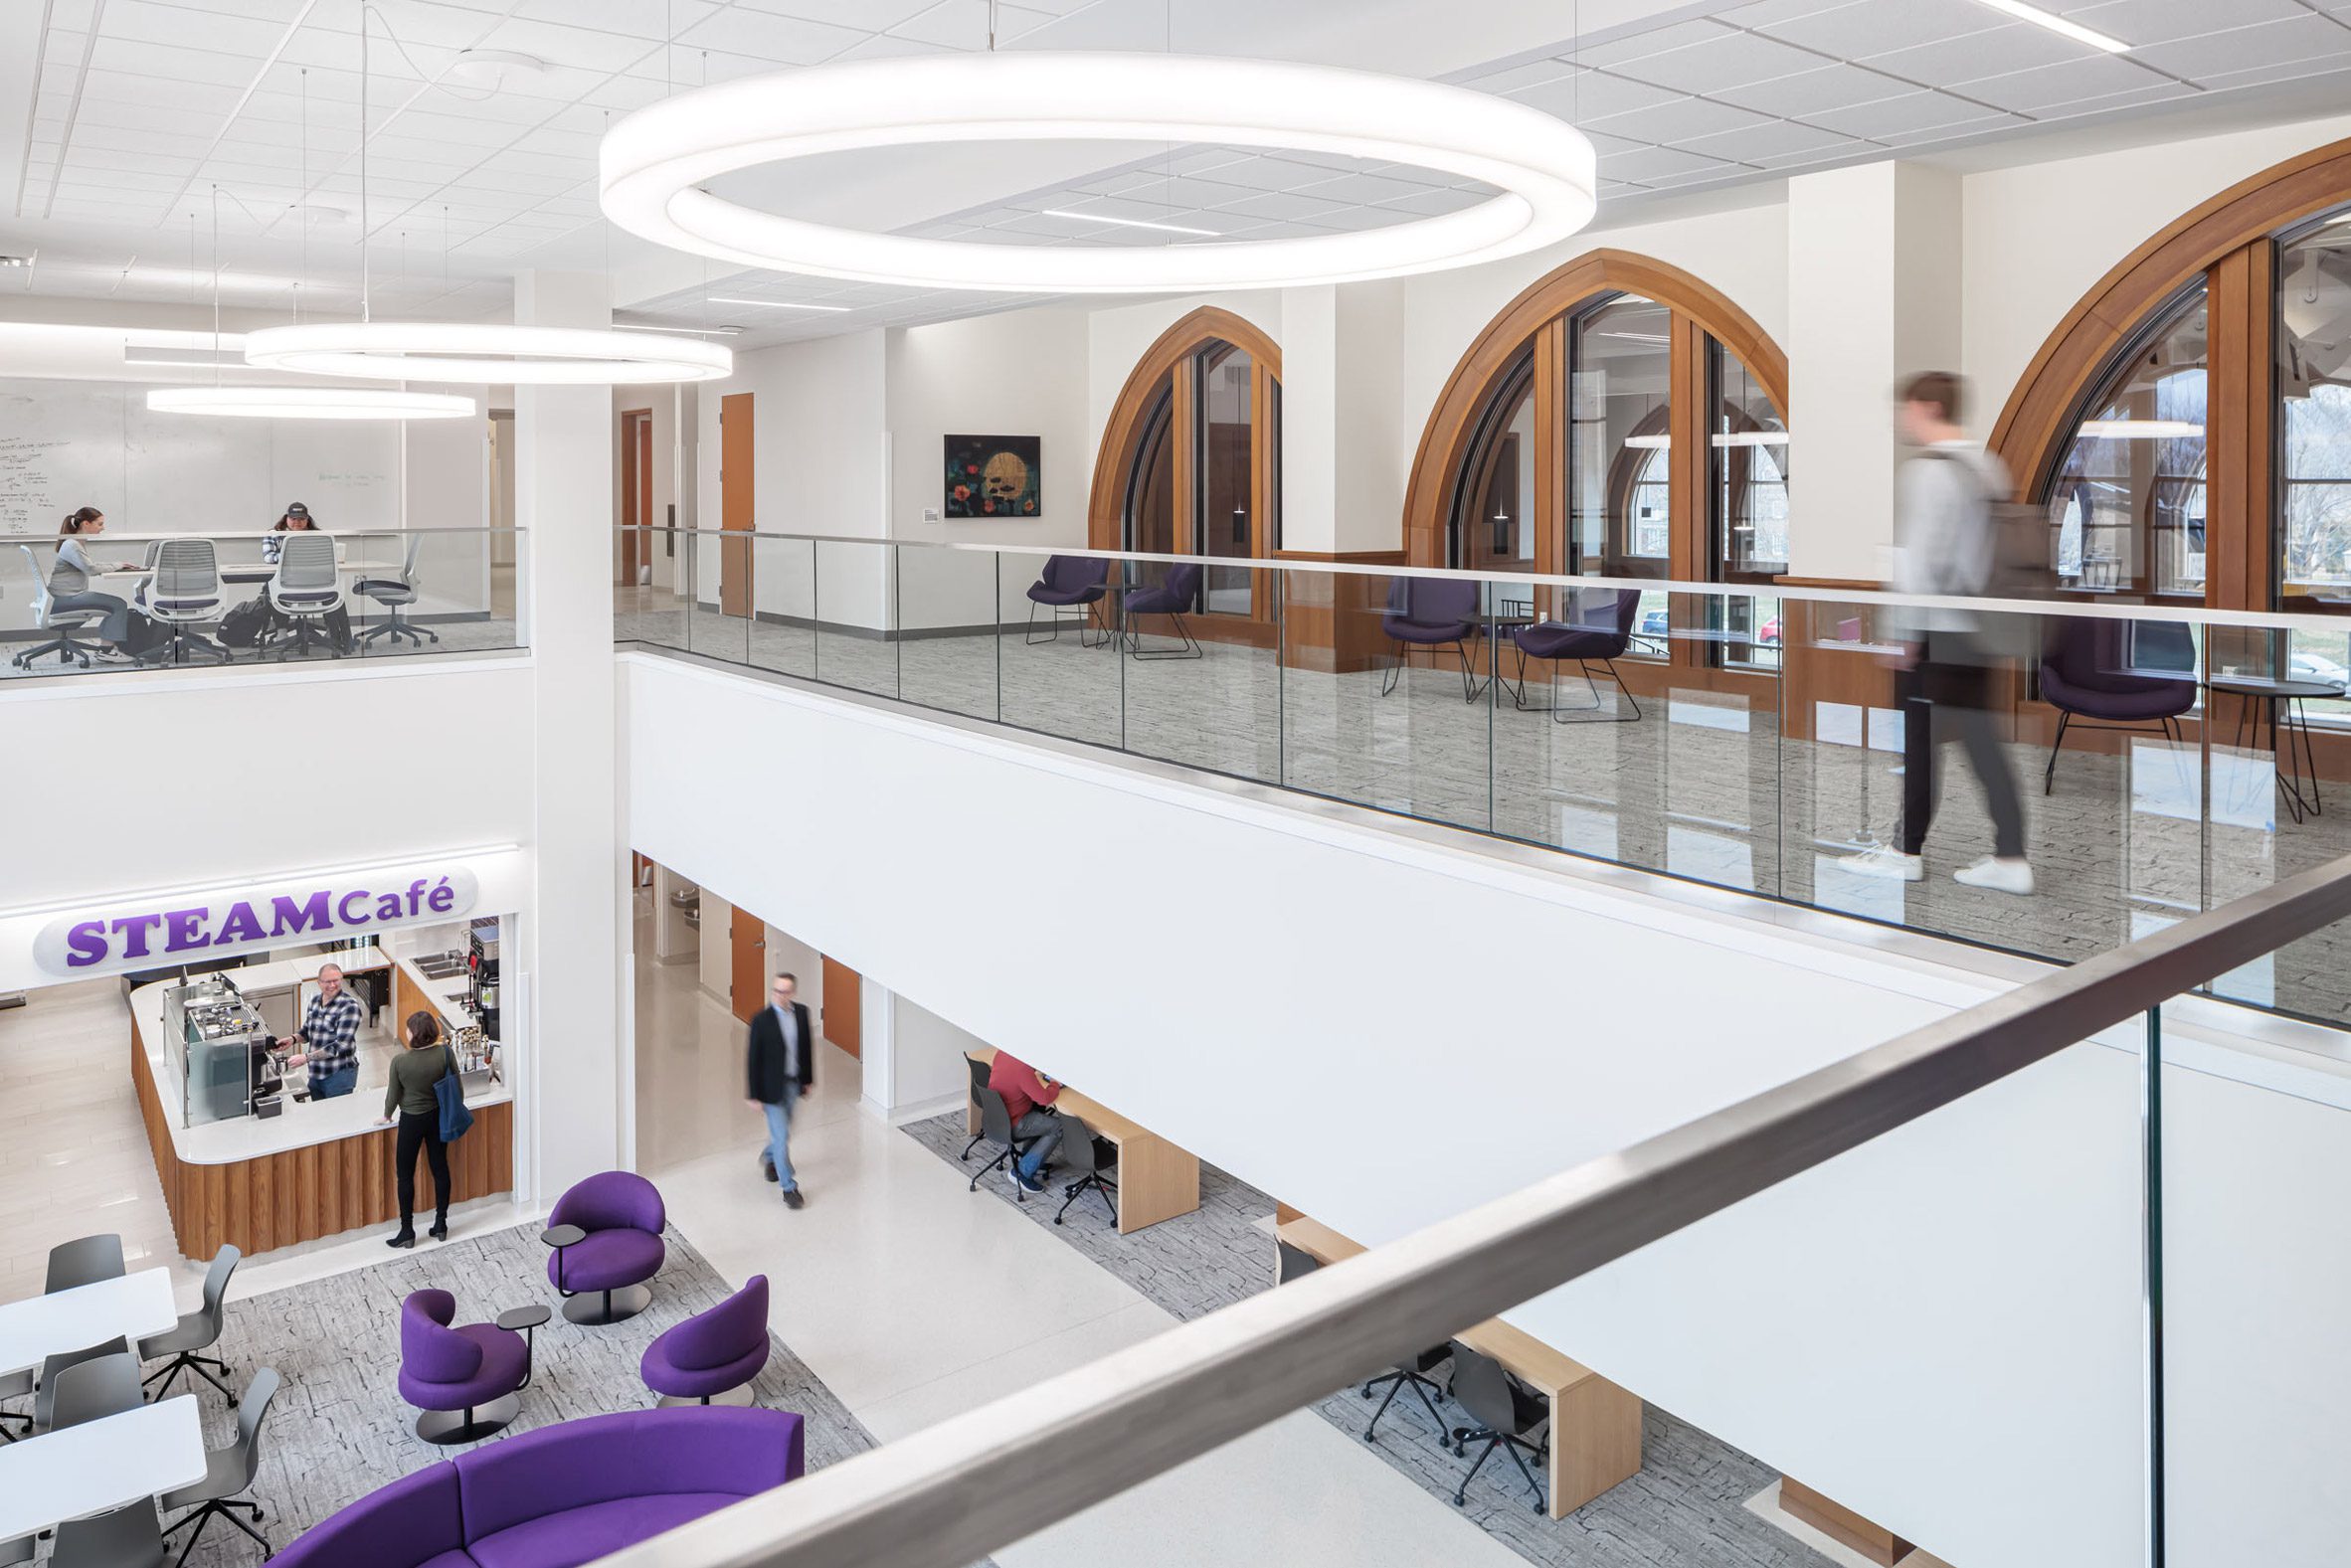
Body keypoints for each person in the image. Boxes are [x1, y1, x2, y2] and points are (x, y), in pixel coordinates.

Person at [1845, 371, 2033, 895]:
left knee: (1920, 741)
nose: (1899, 419)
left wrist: (1903, 633)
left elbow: (1923, 560)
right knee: (1980, 740)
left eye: (1904, 409)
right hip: (1980, 628)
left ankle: (1906, 851)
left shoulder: (1928, 472)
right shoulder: (1987, 465)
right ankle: (2011, 855)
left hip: (1937, 628)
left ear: (1927, 407)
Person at [376, 1010, 453, 1249]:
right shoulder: (445, 1053)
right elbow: (455, 1084)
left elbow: (394, 1095)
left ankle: (407, 1230)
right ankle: (440, 1223)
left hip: (411, 1120)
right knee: (440, 1167)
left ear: (414, 1034)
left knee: (405, 1175)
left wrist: (387, 1115)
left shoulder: (401, 1061)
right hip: (437, 1116)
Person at [746, 972, 814, 1209]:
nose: (778, 995)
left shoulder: (802, 1014)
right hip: (771, 1088)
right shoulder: (761, 1020)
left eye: (783, 991)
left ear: (792, 993)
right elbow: (753, 1060)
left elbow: (806, 1049)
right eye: (775, 990)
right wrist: (754, 1094)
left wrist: (807, 1079)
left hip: (793, 1083)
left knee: (784, 1131)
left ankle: (769, 1156)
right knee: (782, 1136)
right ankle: (789, 1187)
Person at [49, 507, 140, 661]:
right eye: (99, 524)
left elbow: (89, 565)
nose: (103, 528)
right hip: (66, 598)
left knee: (113, 604)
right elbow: (90, 569)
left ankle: (107, 646)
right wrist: (117, 565)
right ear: (86, 523)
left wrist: (116, 564)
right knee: (118, 604)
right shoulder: (72, 544)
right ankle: (107, 650)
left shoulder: (74, 543)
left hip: (63, 597)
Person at [986, 1049, 1063, 1195]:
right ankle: (1023, 1172)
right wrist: (1054, 1084)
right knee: (1058, 1127)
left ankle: (1031, 1159)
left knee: (1038, 1111)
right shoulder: (1022, 1068)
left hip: (996, 1119)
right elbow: (1044, 1098)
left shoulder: (1002, 1053)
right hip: (1014, 1123)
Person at [280, 962, 363, 1100]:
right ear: (318, 983)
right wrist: (293, 1039)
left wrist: (306, 1058)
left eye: (336, 980)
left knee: (335, 1117)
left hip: (339, 1075)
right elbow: (308, 1031)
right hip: (316, 1074)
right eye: (327, 982)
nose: (332, 985)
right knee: (319, 1116)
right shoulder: (314, 1002)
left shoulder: (349, 1007)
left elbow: (340, 1046)